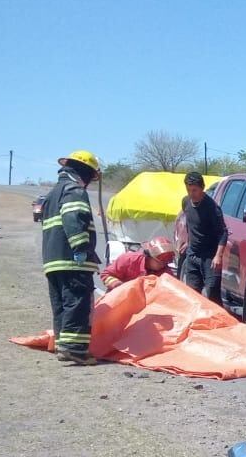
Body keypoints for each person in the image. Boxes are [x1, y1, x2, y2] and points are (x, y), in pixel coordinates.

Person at [41, 150, 102, 365]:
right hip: (72, 259)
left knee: (61, 303)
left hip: (53, 260)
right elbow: (73, 217)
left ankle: (62, 345)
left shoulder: (53, 192)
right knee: (77, 302)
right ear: (84, 172)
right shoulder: (74, 190)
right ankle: (75, 350)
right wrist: (81, 247)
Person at [179, 171, 227, 301]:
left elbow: (223, 233)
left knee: (212, 294)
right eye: (188, 190)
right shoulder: (186, 202)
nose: (191, 193)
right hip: (193, 255)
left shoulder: (212, 208)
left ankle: (218, 321)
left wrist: (218, 256)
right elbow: (189, 222)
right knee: (191, 294)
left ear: (202, 188)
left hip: (210, 258)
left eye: (194, 190)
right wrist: (187, 241)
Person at [99, 236, 175, 290]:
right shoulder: (128, 260)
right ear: (149, 256)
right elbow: (106, 275)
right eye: (161, 262)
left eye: (166, 263)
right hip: (120, 300)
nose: (163, 265)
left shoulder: (165, 271)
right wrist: (117, 284)